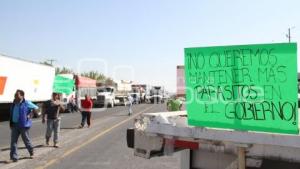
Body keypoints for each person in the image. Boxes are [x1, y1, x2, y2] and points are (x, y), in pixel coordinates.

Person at [9, 89, 38, 162]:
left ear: (22, 96)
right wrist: (11, 123)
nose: (15, 95)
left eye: (17, 94)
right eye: (15, 94)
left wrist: (30, 114)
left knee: (26, 140)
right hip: (14, 125)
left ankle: (31, 152)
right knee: (13, 141)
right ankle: (14, 157)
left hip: (23, 125)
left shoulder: (26, 103)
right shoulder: (14, 103)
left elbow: (35, 107)